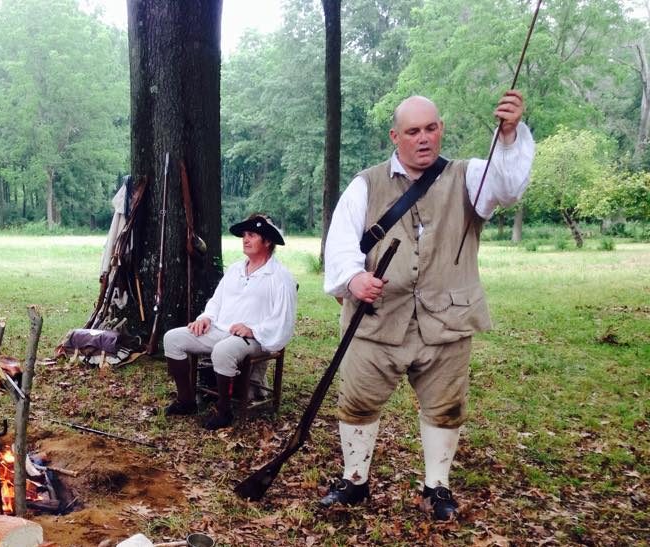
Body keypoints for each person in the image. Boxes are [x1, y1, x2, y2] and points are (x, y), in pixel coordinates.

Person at [320, 91, 534, 520]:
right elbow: (340, 243)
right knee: (358, 402)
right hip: (376, 321)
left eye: (431, 128)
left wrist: (509, 135)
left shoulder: (470, 176)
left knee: (445, 407)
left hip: (446, 319)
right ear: (394, 136)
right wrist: (354, 278)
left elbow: (508, 188)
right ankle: (354, 480)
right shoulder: (366, 184)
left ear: (441, 130)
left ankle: (437, 487)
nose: (424, 138)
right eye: (413, 131)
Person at [163, 213, 297, 430]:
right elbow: (217, 300)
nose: (245, 239)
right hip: (220, 328)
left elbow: (284, 319)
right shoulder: (235, 270)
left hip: (256, 338)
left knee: (223, 351)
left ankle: (224, 411)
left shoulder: (280, 277)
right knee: (172, 338)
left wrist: (253, 329)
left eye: (252, 235)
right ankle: (186, 401)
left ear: (267, 242)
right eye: (244, 235)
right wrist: (206, 317)